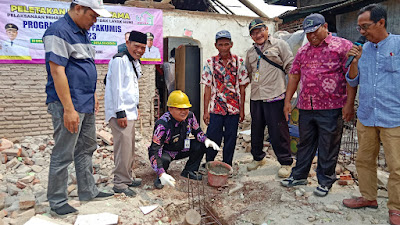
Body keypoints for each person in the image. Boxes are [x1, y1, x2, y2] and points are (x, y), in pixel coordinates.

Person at [43, 0, 112, 216]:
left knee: (86, 148)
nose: (95, 21)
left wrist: (92, 95)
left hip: (85, 103)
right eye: (93, 15)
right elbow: (58, 72)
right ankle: (57, 200)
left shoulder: (82, 32)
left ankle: (88, 190)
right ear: (78, 8)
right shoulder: (58, 31)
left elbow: (85, 66)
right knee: (63, 153)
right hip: (69, 104)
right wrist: (69, 109)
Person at [280, 13, 356, 197]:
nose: (311, 36)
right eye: (308, 33)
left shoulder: (342, 46)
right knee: (305, 143)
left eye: (315, 31)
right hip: (306, 105)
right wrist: (288, 100)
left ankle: (325, 180)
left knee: (328, 145)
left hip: (331, 106)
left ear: (325, 27)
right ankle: (299, 175)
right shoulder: (303, 51)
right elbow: (294, 75)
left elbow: (351, 78)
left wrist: (349, 104)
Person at [342, 4, 400, 225]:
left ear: (381, 23)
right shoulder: (362, 50)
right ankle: (368, 197)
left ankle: (396, 207)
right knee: (364, 160)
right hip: (367, 114)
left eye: (365, 26)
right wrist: (354, 62)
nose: (362, 32)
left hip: (394, 116)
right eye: (359, 28)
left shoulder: (398, 44)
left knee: (396, 166)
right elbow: (352, 80)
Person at [245, 18, 294, 178]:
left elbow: (290, 68)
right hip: (256, 96)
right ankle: (258, 158)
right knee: (256, 129)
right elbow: (249, 73)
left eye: (260, 31)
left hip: (275, 95)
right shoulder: (251, 52)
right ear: (251, 36)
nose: (257, 35)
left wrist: (290, 95)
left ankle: (286, 162)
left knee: (278, 130)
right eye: (254, 33)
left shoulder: (280, 45)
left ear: (266, 29)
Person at [148, 90, 220, 189]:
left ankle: (189, 171)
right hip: (167, 152)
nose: (183, 111)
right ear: (170, 109)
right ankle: (161, 177)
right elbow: (154, 150)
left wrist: (206, 140)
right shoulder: (162, 125)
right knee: (163, 159)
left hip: (182, 147)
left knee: (201, 144)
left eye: (186, 108)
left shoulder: (190, 116)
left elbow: (197, 132)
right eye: (179, 109)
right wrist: (161, 173)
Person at [105, 31, 147, 197]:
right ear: (128, 43)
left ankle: (128, 177)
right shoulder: (120, 60)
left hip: (130, 112)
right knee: (123, 149)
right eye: (136, 46)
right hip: (120, 113)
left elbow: (132, 87)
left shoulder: (132, 61)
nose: (139, 50)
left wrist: (135, 108)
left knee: (129, 148)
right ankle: (120, 183)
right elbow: (116, 89)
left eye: (143, 47)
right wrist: (120, 113)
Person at [201, 30, 249, 166]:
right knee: (212, 136)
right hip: (216, 107)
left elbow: (243, 87)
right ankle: (209, 162)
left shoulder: (239, 62)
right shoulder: (210, 63)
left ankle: (227, 164)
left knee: (230, 138)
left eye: (226, 44)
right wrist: (205, 111)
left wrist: (242, 109)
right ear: (216, 45)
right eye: (220, 45)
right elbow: (207, 87)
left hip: (233, 108)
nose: (223, 48)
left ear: (231, 44)